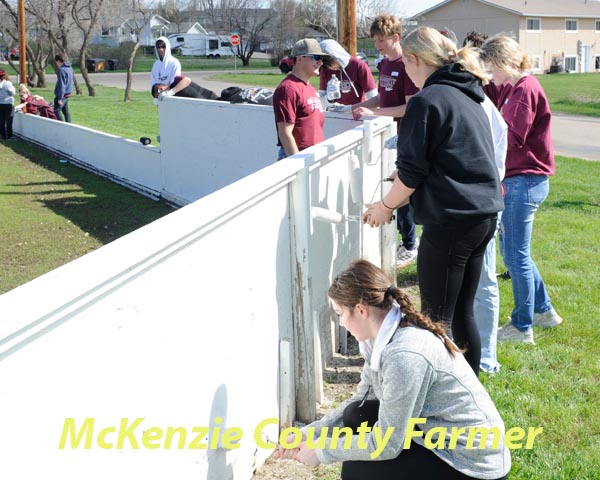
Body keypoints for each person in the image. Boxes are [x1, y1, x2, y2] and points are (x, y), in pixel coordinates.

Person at [277, 259, 511, 479]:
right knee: (356, 416)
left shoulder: (404, 355)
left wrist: (321, 452)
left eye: (340, 314)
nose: (340, 323)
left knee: (357, 470)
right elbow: (360, 400)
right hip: (437, 437)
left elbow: (387, 443)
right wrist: (311, 433)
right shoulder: (382, 335)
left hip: (472, 463)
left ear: (361, 310)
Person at [361, 27, 504, 375]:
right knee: (463, 311)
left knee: (436, 318)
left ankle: (442, 398)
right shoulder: (469, 95)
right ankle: (471, 393)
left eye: (406, 67)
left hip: (452, 220)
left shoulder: (428, 101)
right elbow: (447, 156)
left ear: (413, 59)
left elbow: (411, 173)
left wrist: (384, 207)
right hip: (482, 215)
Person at [481, 35, 563, 344]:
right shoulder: (513, 87)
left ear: (504, 62)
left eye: (491, 67)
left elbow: (511, 136)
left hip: (524, 180)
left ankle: (521, 326)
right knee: (517, 254)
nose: (490, 74)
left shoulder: (524, 90)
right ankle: (543, 311)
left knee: (515, 256)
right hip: (522, 180)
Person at [351, 15, 421, 268]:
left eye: (382, 39)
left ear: (395, 37)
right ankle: (407, 239)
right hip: (388, 136)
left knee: (401, 188)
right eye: (375, 40)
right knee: (394, 187)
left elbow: (411, 106)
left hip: (404, 135)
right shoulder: (384, 64)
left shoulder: (406, 65)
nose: (378, 44)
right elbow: (382, 99)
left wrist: (375, 113)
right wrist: (360, 106)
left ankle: (410, 244)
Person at [462, 31, 508, 373]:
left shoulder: (484, 109)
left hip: (483, 206)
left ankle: (487, 357)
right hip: (469, 207)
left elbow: (496, 164)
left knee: (485, 281)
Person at [272, 38, 327, 160]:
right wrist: (297, 164)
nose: (320, 62)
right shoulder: (288, 89)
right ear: (300, 58)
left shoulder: (309, 88)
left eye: (321, 59)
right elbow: (285, 133)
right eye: (315, 57)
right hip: (297, 156)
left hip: (313, 154)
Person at [318, 39, 377, 110]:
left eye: (329, 62)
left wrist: (348, 108)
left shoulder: (359, 66)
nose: (328, 66)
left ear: (337, 54)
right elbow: (320, 104)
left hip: (357, 112)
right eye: (324, 64)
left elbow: (373, 97)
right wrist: (329, 98)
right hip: (335, 113)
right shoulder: (325, 70)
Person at [152, 75, 220, 101]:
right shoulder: (172, 98)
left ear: (160, 89)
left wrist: (170, 92)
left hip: (211, 97)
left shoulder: (176, 80)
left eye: (159, 96)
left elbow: (187, 80)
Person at [54, 53, 74, 122]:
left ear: (58, 61)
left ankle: (62, 125)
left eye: (56, 62)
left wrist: (60, 98)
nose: (56, 64)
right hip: (68, 93)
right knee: (65, 110)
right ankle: (69, 125)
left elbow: (62, 85)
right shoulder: (70, 68)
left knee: (56, 110)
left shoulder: (62, 70)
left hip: (63, 94)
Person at [0, 69, 16, 140]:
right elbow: (12, 93)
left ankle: (2, 135)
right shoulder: (7, 83)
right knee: (9, 120)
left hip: (0, 104)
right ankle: (10, 135)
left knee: (1, 120)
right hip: (8, 104)